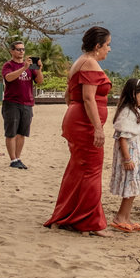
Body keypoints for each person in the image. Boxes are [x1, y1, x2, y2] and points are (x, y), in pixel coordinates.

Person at [45, 26, 112, 237]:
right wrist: (97, 128)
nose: (109, 49)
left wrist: (75, 116)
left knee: (77, 170)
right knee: (91, 170)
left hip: (76, 119)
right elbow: (88, 98)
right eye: (108, 45)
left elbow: (68, 96)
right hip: (85, 123)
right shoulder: (90, 63)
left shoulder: (78, 63)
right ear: (97, 45)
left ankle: (68, 216)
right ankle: (88, 222)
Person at [108, 78, 140, 232]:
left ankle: (126, 217)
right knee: (130, 185)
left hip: (136, 152)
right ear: (133, 94)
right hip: (130, 154)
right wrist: (127, 158)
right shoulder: (126, 112)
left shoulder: (136, 110)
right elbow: (122, 137)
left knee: (134, 187)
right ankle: (120, 217)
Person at [1, 40, 43, 169]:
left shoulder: (31, 67)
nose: (21, 52)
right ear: (12, 51)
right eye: (19, 49)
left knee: (22, 132)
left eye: (23, 49)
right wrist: (23, 68)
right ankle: (13, 159)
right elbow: (8, 78)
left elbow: (39, 81)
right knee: (11, 132)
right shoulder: (8, 65)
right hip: (11, 102)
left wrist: (39, 69)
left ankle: (18, 158)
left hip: (27, 103)